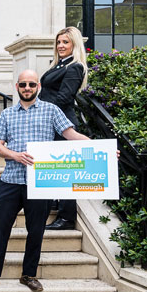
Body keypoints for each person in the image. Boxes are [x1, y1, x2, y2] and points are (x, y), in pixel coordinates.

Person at [0, 70, 90, 292]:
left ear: (38, 86)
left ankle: (29, 275)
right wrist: (16, 155)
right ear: (17, 87)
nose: (27, 88)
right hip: (10, 181)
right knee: (0, 228)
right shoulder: (7, 114)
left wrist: (104, 150)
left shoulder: (52, 111)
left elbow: (72, 136)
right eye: (23, 84)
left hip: (40, 182)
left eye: (31, 84)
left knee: (36, 231)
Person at [41, 26, 88, 231]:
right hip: (53, 123)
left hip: (63, 124)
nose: (60, 46)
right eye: (58, 42)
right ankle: (55, 203)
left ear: (74, 45)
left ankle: (67, 217)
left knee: (66, 172)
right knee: (55, 169)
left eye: (65, 42)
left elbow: (64, 98)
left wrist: (41, 111)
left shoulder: (74, 67)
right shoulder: (59, 65)